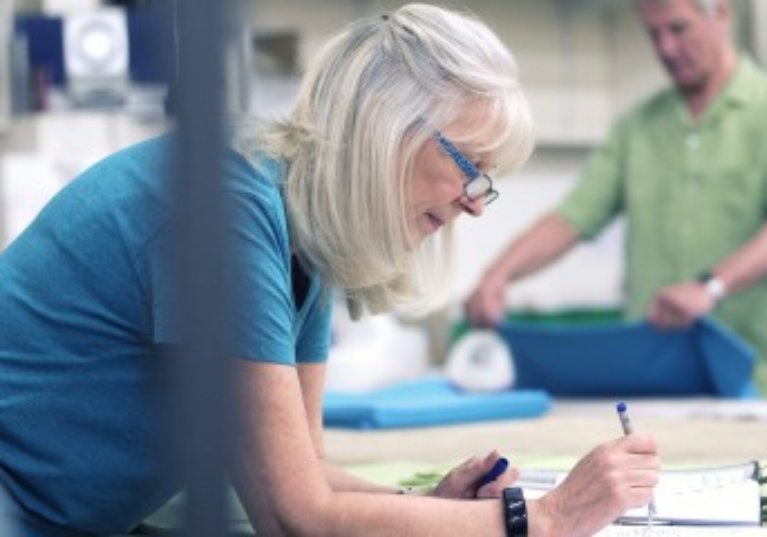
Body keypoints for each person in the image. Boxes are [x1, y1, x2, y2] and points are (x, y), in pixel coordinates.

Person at [0, 4, 659, 536]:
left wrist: (440, 506)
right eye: (472, 169)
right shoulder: (226, 204)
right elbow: (293, 516)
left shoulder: (298, 224)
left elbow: (305, 471)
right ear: (388, 125)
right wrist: (540, 518)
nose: (474, 204)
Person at [466, 0, 767, 393]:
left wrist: (710, 286)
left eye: (679, 29)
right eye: (654, 34)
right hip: (653, 379)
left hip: (753, 382)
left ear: (722, 14)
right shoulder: (636, 129)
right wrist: (498, 276)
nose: (667, 49)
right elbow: (573, 217)